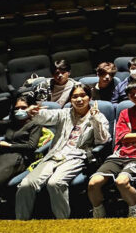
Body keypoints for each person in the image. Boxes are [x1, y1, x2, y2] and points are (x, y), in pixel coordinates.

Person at [16, 83, 110, 220]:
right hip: (55, 154)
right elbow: (47, 116)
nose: (79, 99)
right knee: (26, 183)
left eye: (83, 96)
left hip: (76, 156)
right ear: (70, 100)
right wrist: (35, 112)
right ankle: (21, 223)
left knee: (55, 183)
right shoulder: (65, 113)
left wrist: (95, 120)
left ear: (90, 98)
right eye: (75, 96)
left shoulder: (98, 116)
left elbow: (102, 140)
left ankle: (63, 222)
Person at [88, 79, 136, 218]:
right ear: (129, 97)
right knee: (93, 183)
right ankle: (99, 212)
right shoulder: (125, 113)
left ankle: (135, 209)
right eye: (132, 94)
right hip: (119, 156)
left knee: (121, 182)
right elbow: (123, 137)